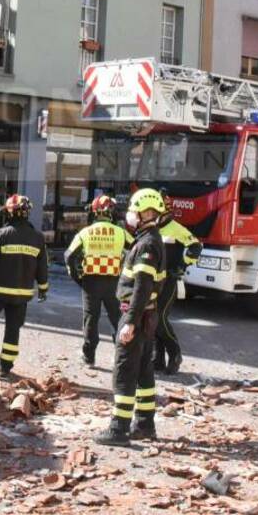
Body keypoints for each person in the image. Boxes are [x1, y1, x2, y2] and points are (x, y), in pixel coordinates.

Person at [95, 188, 171, 447]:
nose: (130, 214)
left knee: (125, 370)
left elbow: (142, 287)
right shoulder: (150, 239)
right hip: (146, 316)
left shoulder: (146, 244)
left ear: (146, 212)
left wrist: (129, 322)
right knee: (143, 370)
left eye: (134, 210)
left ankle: (119, 429)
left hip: (136, 315)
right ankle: (145, 424)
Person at [0, 194, 48, 378]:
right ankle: (5, 368)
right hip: (21, 295)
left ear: (10, 213)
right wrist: (43, 289)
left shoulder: (1, 235)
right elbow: (42, 266)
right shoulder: (38, 237)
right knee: (13, 328)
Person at [65, 195, 131, 366]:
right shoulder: (121, 233)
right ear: (111, 213)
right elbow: (137, 249)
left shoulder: (85, 233)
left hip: (91, 283)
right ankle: (120, 357)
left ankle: (89, 357)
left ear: (94, 212)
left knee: (90, 319)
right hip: (114, 283)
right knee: (117, 318)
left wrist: (77, 277)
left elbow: (69, 256)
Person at [154, 216, 202, 375]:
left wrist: (183, 264)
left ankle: (175, 354)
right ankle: (158, 359)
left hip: (169, 280)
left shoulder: (176, 228)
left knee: (160, 317)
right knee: (152, 318)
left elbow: (195, 246)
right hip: (152, 281)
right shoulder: (151, 227)